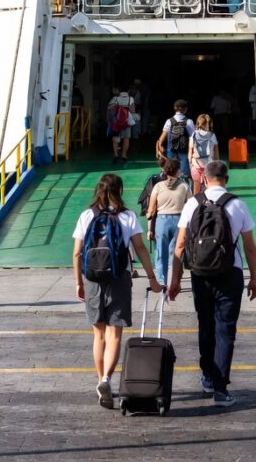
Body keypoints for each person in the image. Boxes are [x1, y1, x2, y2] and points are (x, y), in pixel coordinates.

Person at [168, 160, 256, 408]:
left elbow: (179, 245)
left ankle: (207, 376)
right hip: (230, 273)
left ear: (205, 179)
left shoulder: (192, 203)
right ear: (226, 179)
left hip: (200, 274)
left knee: (205, 326)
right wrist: (254, 278)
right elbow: (249, 247)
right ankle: (221, 389)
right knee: (225, 330)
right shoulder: (238, 204)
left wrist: (175, 279)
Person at [73, 172, 162, 409]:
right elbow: (140, 248)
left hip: (92, 279)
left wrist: (79, 283)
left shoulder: (86, 216)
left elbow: (76, 253)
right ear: (119, 191)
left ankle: (100, 379)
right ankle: (107, 379)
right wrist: (152, 278)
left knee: (98, 335)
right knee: (115, 334)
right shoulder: (127, 216)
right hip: (119, 278)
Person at [146, 157, 189, 286]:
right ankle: (174, 280)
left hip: (162, 221)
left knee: (160, 251)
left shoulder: (158, 186)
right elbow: (190, 205)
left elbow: (151, 210)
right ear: (177, 171)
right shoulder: (184, 186)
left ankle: (161, 281)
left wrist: (150, 227)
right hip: (178, 221)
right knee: (175, 252)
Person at [156, 99, 194, 177]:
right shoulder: (189, 121)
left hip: (171, 150)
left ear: (175, 108)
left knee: (170, 171)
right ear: (185, 109)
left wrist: (160, 148)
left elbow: (161, 139)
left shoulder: (169, 121)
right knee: (184, 174)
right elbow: (193, 137)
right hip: (184, 150)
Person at [188, 113, 219, 194]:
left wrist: (191, 164)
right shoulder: (212, 135)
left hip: (196, 167)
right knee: (209, 190)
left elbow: (190, 154)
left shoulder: (193, 135)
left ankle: (197, 205)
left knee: (196, 191)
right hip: (209, 167)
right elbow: (216, 155)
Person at [107, 85, 134, 164]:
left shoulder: (115, 99)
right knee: (126, 138)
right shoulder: (131, 99)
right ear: (128, 91)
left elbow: (109, 108)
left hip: (117, 121)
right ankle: (124, 155)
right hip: (126, 121)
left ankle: (115, 155)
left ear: (119, 91)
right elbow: (133, 110)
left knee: (116, 138)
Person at [210, 88, 233, 153]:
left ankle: (223, 144)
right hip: (221, 115)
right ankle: (220, 144)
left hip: (221, 115)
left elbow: (212, 106)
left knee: (222, 130)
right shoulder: (224, 98)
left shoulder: (223, 98)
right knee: (222, 130)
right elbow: (229, 108)